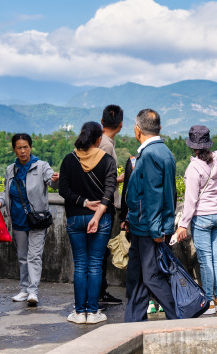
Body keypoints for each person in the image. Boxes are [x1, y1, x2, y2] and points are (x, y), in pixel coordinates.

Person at [58, 122, 117, 324]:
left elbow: (63, 190)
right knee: (95, 265)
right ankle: (93, 312)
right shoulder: (107, 160)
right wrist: (98, 213)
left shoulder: (68, 160)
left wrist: (82, 202)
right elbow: (109, 191)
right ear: (99, 140)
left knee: (80, 264)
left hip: (75, 217)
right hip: (100, 219)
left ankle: (78, 312)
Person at [0, 134, 59, 307]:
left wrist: (55, 180)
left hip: (37, 219)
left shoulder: (41, 166)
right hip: (18, 219)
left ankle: (33, 292)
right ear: (14, 149)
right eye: (19, 147)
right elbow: (7, 192)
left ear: (30, 147)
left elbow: (52, 182)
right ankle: (24, 289)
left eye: (26, 147)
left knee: (34, 256)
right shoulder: (10, 169)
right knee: (22, 256)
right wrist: (0, 202)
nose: (23, 151)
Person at [124, 108, 178, 323]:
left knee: (151, 277)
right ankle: (133, 322)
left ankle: (178, 315)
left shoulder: (150, 155)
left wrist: (156, 230)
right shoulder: (164, 152)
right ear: (160, 128)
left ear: (137, 130)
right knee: (136, 278)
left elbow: (154, 195)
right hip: (142, 226)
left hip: (148, 228)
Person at [174, 125, 217, 315]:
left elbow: (190, 201)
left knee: (205, 260)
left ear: (192, 146)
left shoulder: (193, 168)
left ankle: (208, 302)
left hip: (203, 217)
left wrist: (182, 225)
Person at [98, 104, 124, 305]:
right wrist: (123, 177)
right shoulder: (106, 145)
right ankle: (100, 292)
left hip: (100, 203)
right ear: (121, 125)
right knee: (101, 252)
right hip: (105, 204)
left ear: (102, 121)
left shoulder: (102, 141)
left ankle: (99, 291)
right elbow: (103, 179)